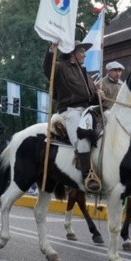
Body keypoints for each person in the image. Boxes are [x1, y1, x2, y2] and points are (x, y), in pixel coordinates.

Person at [43, 41, 101, 192]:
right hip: (71, 110)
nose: (85, 54)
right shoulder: (61, 67)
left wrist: (98, 95)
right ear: (72, 53)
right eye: (82, 51)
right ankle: (87, 175)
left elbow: (91, 96)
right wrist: (51, 50)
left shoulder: (85, 72)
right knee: (82, 138)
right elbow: (48, 69)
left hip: (88, 111)